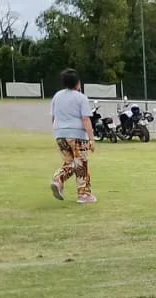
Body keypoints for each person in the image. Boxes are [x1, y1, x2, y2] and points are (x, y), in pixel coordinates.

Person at [49, 69, 96, 204]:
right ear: (77, 83)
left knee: (70, 163)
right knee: (81, 164)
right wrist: (91, 138)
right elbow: (85, 119)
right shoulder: (81, 98)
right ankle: (84, 194)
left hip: (60, 133)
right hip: (77, 134)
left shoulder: (57, 96)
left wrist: (57, 132)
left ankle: (57, 179)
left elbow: (54, 117)